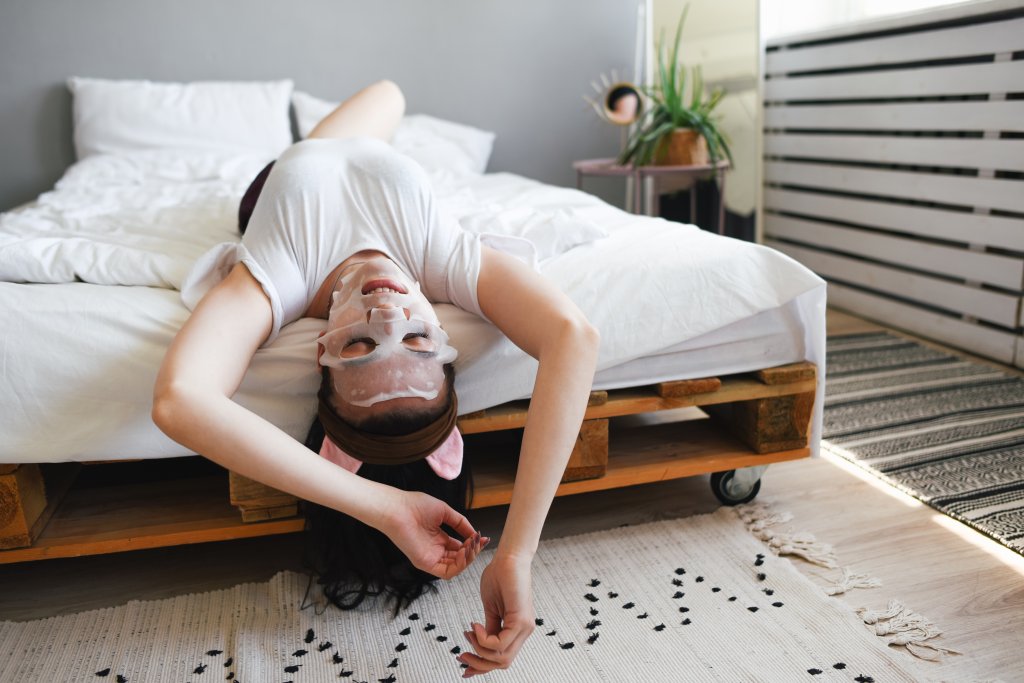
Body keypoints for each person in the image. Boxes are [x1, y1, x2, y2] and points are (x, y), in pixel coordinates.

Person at [153, 80, 600, 678]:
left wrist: (385, 508)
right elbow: (574, 337)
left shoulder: (279, 274)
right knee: (390, 91)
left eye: (360, 343)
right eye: (418, 338)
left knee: (377, 100)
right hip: (360, 147)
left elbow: (181, 399)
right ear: (444, 345)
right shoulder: (441, 259)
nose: (388, 310)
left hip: (273, 183)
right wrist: (517, 553)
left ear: (319, 352)